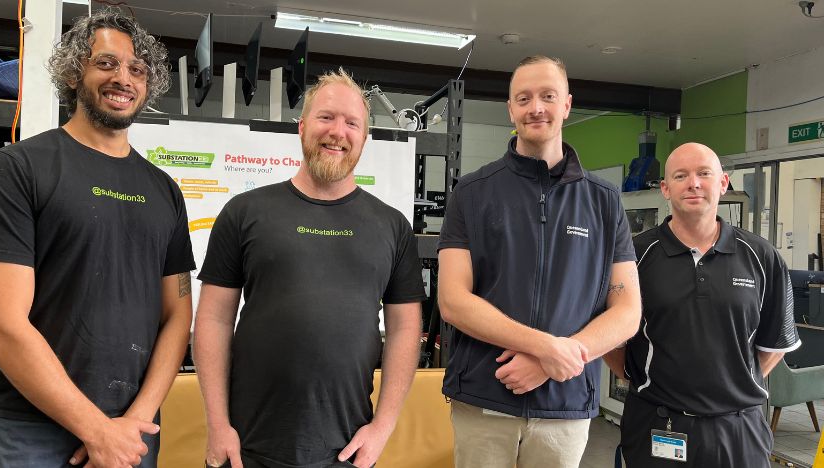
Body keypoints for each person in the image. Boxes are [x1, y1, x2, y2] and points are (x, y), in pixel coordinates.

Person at [0, 9, 194, 468]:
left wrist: (133, 423)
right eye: (106, 63)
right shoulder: (17, 170)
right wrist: (96, 430)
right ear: (73, 71)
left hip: (133, 432)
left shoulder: (164, 189)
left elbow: (177, 313)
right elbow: (0, 327)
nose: (123, 78)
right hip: (28, 433)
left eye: (137, 69)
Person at [193, 68, 424, 468]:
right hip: (247, 446)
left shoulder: (392, 227)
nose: (338, 132)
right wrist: (217, 424)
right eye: (326, 117)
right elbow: (212, 319)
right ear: (301, 127)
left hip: (347, 449)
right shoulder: (245, 213)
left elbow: (406, 329)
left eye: (352, 123)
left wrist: (383, 427)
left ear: (365, 139)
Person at [436, 55, 642, 468]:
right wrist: (544, 348)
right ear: (511, 110)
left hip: (564, 407)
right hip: (484, 399)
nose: (536, 108)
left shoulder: (604, 202)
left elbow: (627, 310)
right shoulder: (472, 193)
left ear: (567, 104)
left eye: (548, 96)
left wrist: (557, 362)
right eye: (524, 98)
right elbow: (452, 300)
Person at [604, 142, 801, 467]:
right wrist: (636, 377)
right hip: (657, 425)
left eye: (704, 174)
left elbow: (775, 343)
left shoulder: (761, 256)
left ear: (723, 183)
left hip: (739, 431)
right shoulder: (634, 256)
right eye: (681, 176)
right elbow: (607, 335)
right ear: (666, 189)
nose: (693, 183)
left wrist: (733, 384)